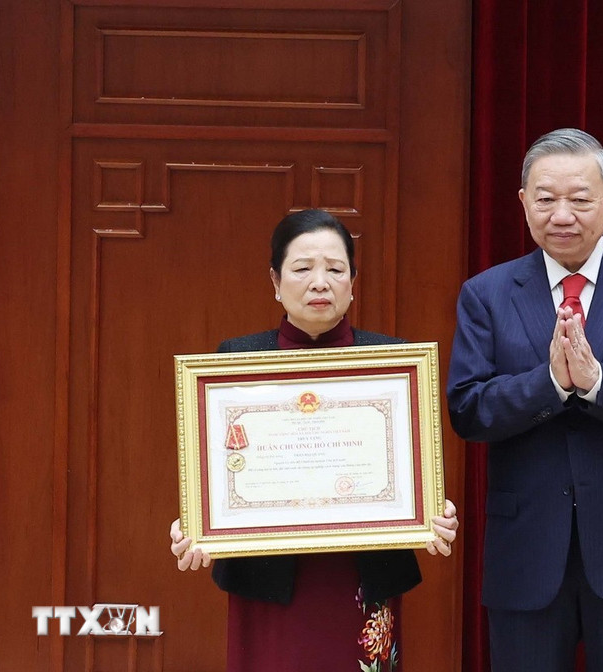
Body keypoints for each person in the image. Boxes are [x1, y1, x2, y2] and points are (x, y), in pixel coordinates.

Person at [447, 128, 603, 672]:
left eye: (580, 200)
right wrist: (552, 384)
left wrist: (597, 384)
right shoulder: (486, 294)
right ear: (523, 202)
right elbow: (468, 411)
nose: (561, 215)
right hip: (526, 551)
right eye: (545, 199)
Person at [169, 209, 459, 671]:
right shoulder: (236, 358)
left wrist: (430, 511)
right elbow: (218, 472)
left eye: (335, 269)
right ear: (275, 280)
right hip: (269, 582)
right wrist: (198, 520)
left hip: (360, 577)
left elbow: (411, 470)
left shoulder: (392, 362)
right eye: (302, 268)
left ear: (353, 281)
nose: (320, 283)